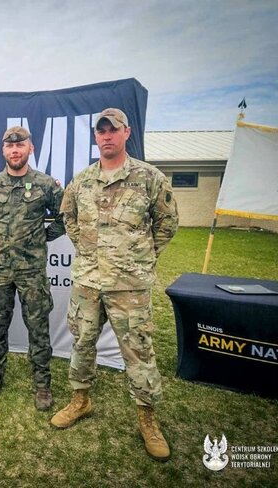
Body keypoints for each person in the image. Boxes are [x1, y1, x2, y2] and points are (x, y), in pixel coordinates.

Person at [50, 108, 179, 461]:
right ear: (96, 136)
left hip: (129, 285)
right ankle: (80, 400)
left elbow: (167, 224)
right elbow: (70, 219)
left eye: (113, 129)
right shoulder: (81, 181)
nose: (107, 135)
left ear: (126, 133)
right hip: (88, 282)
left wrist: (140, 258)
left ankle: (147, 419)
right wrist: (90, 253)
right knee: (82, 343)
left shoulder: (149, 178)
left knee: (138, 351)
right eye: (101, 130)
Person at [0, 126, 64, 411]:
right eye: (10, 146)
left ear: (30, 148)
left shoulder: (46, 185)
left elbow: (66, 216)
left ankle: (42, 383)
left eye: (20, 145)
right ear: (3, 150)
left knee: (38, 327)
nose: (15, 150)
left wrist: (42, 237)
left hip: (32, 271)